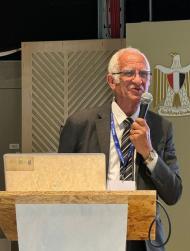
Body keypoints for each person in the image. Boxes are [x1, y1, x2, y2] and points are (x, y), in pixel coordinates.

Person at [58, 47, 182, 251]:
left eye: (144, 74)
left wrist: (148, 153)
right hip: (93, 233)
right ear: (111, 81)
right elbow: (60, 185)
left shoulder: (161, 128)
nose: (138, 80)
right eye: (129, 73)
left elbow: (173, 193)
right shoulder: (80, 124)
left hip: (143, 238)